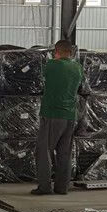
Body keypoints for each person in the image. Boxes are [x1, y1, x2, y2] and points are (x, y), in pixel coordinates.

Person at [32, 39, 83, 195]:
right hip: (70, 116)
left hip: (53, 114)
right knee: (65, 153)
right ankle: (62, 187)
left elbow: (39, 76)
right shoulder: (77, 67)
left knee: (44, 151)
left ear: (56, 52)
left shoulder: (52, 65)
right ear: (71, 52)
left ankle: (44, 187)